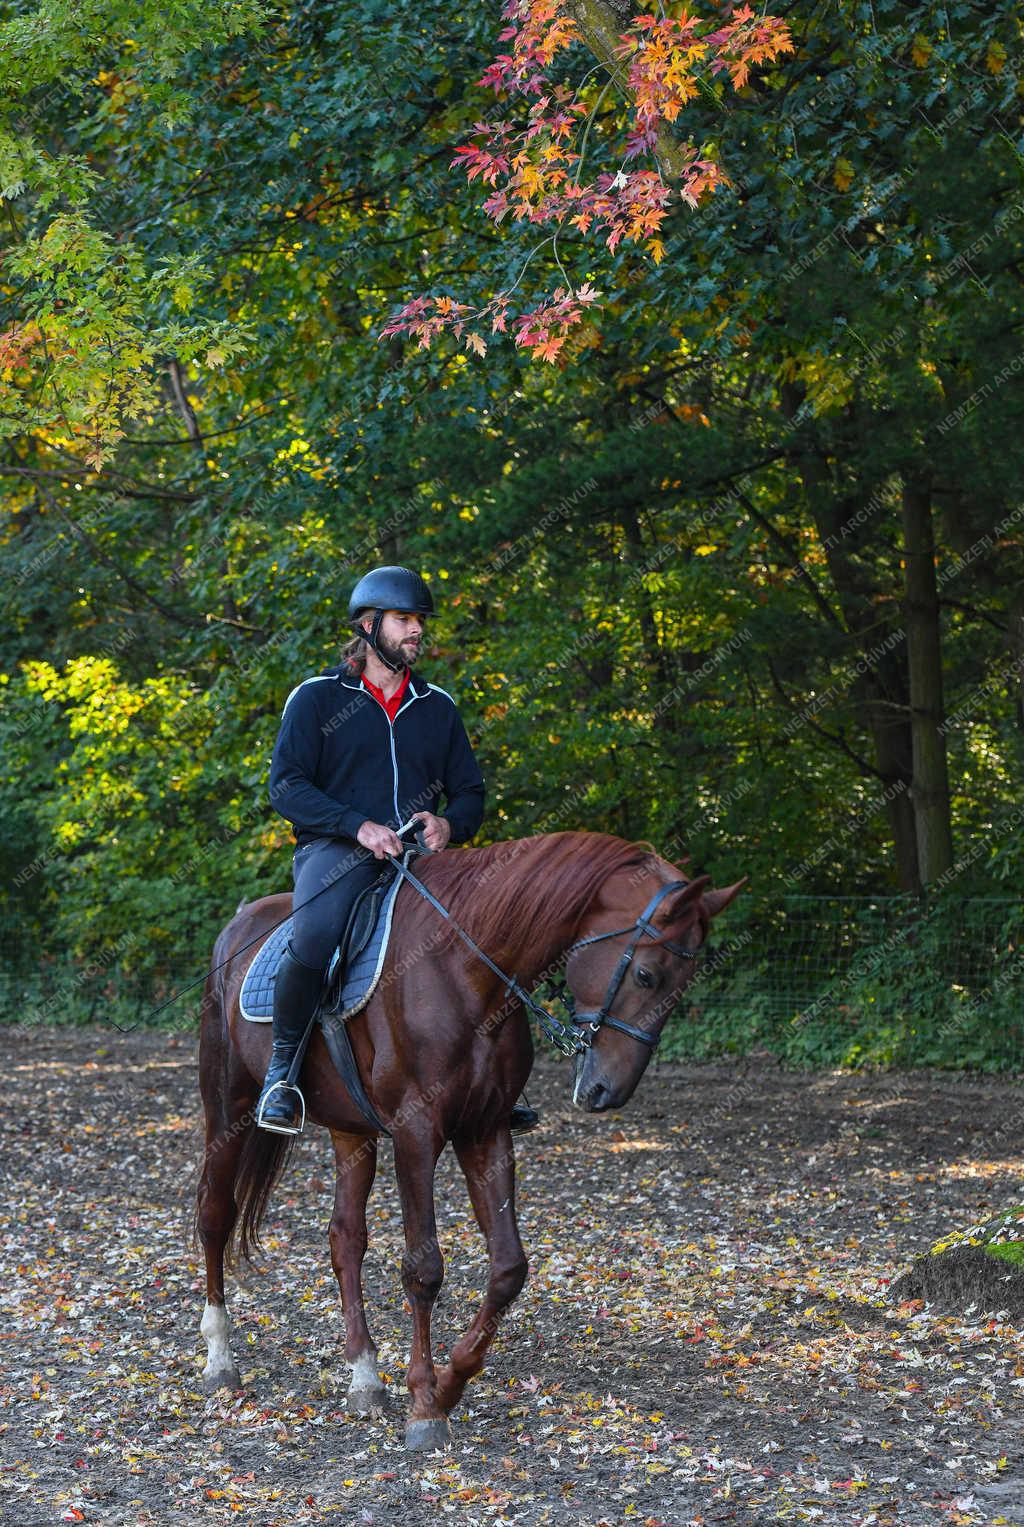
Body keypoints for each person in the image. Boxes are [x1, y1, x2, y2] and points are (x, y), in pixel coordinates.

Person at [258, 564, 539, 1136]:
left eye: (419, 622)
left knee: (489, 938)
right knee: (314, 938)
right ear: (368, 626)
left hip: (423, 862)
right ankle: (281, 1075)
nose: (417, 631)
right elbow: (285, 786)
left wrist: (449, 823)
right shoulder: (315, 699)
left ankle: (494, 1083)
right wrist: (356, 826)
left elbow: (470, 791)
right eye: (405, 620)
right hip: (336, 855)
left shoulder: (437, 706)